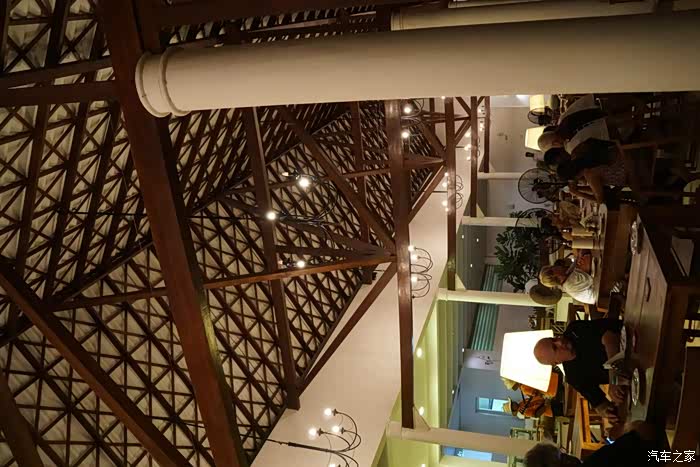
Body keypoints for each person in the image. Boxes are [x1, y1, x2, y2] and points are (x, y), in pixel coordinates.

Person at [533, 318, 624, 420]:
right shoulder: (573, 377)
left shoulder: (574, 330)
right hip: (631, 374)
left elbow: (610, 338)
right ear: (557, 362)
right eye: (555, 347)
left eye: (553, 339)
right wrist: (607, 411)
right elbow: (599, 404)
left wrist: (614, 378)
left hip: (633, 336)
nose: (559, 341)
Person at [523, 421, 662, 466]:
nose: (569, 458)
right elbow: (646, 431)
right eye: (563, 456)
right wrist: (624, 430)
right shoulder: (597, 461)